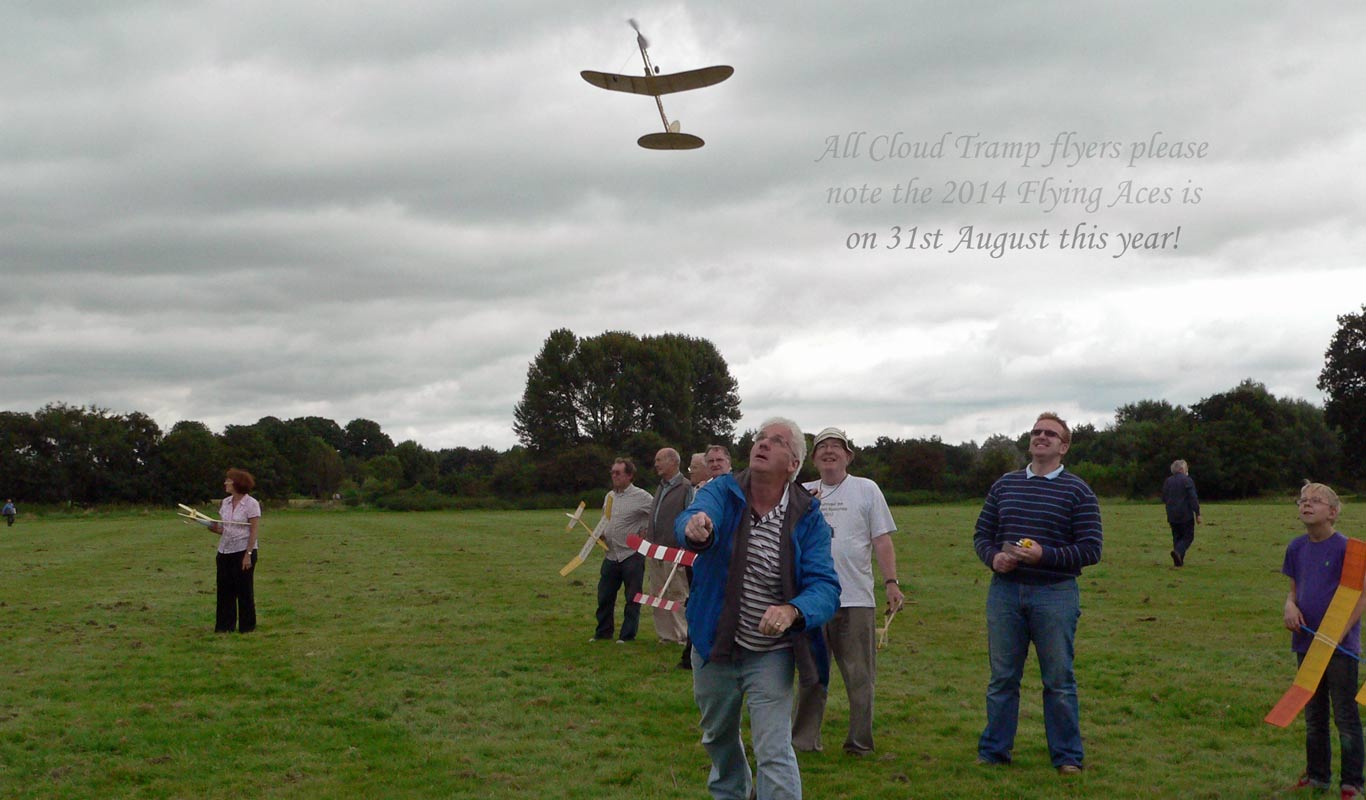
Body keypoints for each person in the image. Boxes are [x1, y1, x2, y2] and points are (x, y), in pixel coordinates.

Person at [677, 418, 841, 800]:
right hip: (714, 644)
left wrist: (792, 610)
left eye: (777, 441)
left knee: (774, 749)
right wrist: (695, 526)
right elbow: (697, 514)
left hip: (770, 653)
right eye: (760, 438)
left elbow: (825, 587)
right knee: (718, 737)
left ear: (793, 463)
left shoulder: (807, 516)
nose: (763, 444)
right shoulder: (723, 490)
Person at [972, 412, 1102, 774]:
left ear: (1064, 447)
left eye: (1051, 434)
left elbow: (1091, 549)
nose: (1041, 437)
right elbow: (982, 535)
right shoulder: (1005, 485)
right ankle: (994, 752)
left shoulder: (1078, 491)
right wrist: (994, 558)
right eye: (1036, 432)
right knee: (1002, 679)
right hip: (1006, 593)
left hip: (1055, 594)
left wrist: (1045, 555)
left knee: (1058, 681)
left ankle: (1067, 757)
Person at [792, 427, 903, 756]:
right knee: (811, 675)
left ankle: (859, 743)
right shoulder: (801, 492)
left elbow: (881, 539)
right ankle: (803, 742)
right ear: (813, 458)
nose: (829, 451)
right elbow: (785, 539)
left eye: (836, 446)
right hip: (811, 601)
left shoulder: (866, 489)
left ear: (848, 456)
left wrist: (891, 582)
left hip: (855, 599)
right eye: (822, 447)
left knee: (859, 677)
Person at [1282, 482, 1364, 797]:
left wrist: (1337, 634)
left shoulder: (1349, 549)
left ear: (1332, 512)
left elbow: (1360, 597)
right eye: (1302, 500)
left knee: (1345, 715)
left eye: (1315, 500)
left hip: (1340, 648)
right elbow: (1293, 591)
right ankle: (1317, 777)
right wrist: (1289, 607)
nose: (1306, 504)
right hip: (1306, 644)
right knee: (1314, 715)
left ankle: (1352, 783)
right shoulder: (1295, 548)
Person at [590, 458, 653, 643]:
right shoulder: (609, 496)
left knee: (633, 597)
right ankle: (603, 633)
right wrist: (601, 534)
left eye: (618, 473)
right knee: (604, 596)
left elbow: (658, 514)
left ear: (629, 475)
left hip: (631, 555)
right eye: (612, 472)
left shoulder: (642, 496)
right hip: (611, 554)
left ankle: (627, 636)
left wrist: (646, 530)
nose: (614, 476)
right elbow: (606, 519)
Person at [647, 448, 695, 644]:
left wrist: (684, 548)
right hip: (655, 550)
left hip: (674, 551)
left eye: (660, 460)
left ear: (673, 462)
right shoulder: (661, 487)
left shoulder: (686, 487)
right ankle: (665, 635)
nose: (656, 464)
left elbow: (690, 516)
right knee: (658, 593)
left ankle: (682, 635)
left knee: (676, 593)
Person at [210, 469, 262, 633]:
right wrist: (211, 527)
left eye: (228, 480)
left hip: (243, 551)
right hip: (224, 551)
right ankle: (224, 627)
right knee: (224, 590)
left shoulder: (251, 504)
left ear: (237, 483)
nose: (225, 483)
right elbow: (224, 529)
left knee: (244, 590)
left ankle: (247, 627)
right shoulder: (225, 503)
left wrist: (248, 555)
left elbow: (253, 531)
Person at [1162, 459, 1202, 567]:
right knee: (1188, 536)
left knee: (1177, 537)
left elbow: (1164, 497)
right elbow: (1193, 498)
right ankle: (1178, 552)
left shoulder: (1168, 481)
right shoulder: (1187, 480)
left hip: (1171, 515)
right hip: (1185, 515)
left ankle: (1179, 561)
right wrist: (1197, 513)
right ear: (1181, 469)